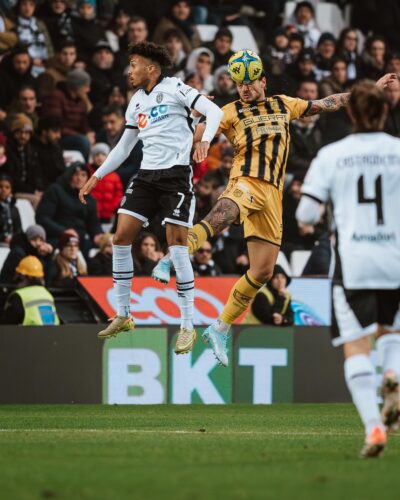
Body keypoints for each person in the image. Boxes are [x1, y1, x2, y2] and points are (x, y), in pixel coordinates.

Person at [152, 50, 397, 367]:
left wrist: (370, 91)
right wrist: (190, 119)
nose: (244, 89)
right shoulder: (228, 112)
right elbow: (196, 134)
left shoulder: (283, 104)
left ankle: (220, 327)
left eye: (250, 82)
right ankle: (172, 256)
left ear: (263, 81)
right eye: (239, 84)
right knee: (223, 213)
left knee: (263, 271)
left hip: (272, 196)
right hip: (245, 181)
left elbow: (327, 103)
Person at [79, 41, 223, 353]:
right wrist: (96, 175)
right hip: (146, 177)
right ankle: (123, 314)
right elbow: (124, 146)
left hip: (176, 177)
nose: (129, 71)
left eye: (134, 65)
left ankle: (188, 326)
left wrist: (205, 141)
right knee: (120, 237)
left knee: (177, 246)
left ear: (151, 68)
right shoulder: (135, 103)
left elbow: (214, 111)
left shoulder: (176, 88)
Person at [296, 80, 400, 458]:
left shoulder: (331, 155)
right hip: (395, 259)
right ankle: (393, 375)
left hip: (353, 262)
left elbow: (306, 214)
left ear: (351, 113)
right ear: (385, 109)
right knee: (392, 333)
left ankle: (374, 428)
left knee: (356, 345)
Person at [36, 162, 103, 251]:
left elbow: (93, 224)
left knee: (106, 249)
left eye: (83, 175)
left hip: (80, 241)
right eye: (76, 174)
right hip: (58, 238)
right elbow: (42, 218)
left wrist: (98, 235)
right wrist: (63, 231)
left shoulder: (89, 199)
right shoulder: (55, 191)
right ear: (69, 176)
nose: (79, 178)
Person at [41, 69, 92, 159]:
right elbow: (54, 124)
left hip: (75, 135)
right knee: (83, 141)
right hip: (59, 137)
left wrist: (89, 133)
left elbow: (84, 124)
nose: (88, 90)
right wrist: (78, 135)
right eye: (86, 86)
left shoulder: (82, 102)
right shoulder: (56, 96)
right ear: (77, 86)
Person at [0, 255, 59, 325]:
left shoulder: (19, 296)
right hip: (54, 331)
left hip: (29, 331)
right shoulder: (47, 294)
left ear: (22, 276)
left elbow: (7, 323)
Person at [4, 113, 42, 208]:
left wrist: (38, 189)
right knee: (36, 200)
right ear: (14, 133)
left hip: (28, 191)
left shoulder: (30, 150)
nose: (23, 136)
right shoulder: (7, 151)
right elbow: (12, 178)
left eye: (27, 133)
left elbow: (35, 174)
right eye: (20, 132)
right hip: (12, 191)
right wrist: (32, 191)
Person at [88, 142, 123, 222]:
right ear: (92, 157)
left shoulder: (114, 176)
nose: (100, 157)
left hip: (108, 215)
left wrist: (112, 207)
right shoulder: (88, 174)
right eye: (97, 155)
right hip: (92, 214)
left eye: (103, 154)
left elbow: (119, 195)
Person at [32, 115, 65, 189]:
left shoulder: (56, 147)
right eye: (55, 131)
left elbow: (61, 171)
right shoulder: (32, 148)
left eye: (59, 132)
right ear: (44, 131)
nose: (59, 136)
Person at [0, 174, 22, 247]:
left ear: (11, 190)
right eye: (0, 186)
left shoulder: (14, 209)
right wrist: (4, 237)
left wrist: (13, 238)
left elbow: (19, 230)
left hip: (13, 243)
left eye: (7, 187)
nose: (3, 190)